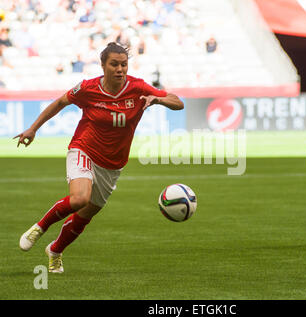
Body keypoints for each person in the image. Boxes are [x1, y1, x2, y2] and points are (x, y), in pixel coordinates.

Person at [15, 42, 184, 273]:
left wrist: (158, 99)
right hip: (84, 149)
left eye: (123, 64)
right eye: (114, 64)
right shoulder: (87, 88)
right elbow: (59, 103)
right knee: (79, 199)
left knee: (85, 216)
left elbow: (178, 102)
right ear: (103, 65)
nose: (120, 69)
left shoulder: (138, 87)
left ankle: (55, 250)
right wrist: (33, 128)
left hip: (113, 165)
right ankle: (39, 228)